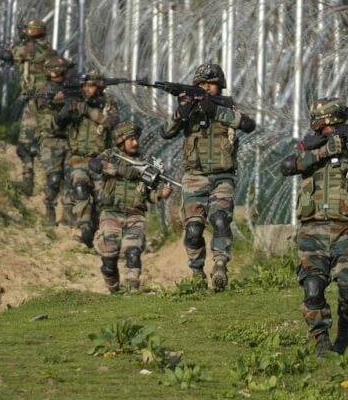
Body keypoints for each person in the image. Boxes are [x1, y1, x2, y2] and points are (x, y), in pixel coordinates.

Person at [280, 97, 348, 357]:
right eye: (325, 128)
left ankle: (347, 328)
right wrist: (325, 151)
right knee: (313, 288)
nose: (330, 132)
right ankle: (321, 340)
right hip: (311, 230)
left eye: (334, 127)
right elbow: (287, 166)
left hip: (347, 230)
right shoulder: (307, 149)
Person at [160, 63, 255, 292]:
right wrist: (182, 110)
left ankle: (220, 264)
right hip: (194, 178)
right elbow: (166, 132)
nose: (206, 87)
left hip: (222, 177)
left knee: (220, 220)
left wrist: (214, 110)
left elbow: (248, 124)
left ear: (219, 85)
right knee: (193, 231)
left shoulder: (227, 108)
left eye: (210, 84)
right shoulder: (189, 110)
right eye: (201, 84)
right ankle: (197, 271)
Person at [90, 121, 172, 293]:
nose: (135, 143)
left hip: (135, 216)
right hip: (111, 214)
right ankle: (114, 289)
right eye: (131, 139)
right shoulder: (111, 155)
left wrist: (160, 194)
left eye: (136, 139)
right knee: (109, 260)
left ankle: (132, 289)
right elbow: (95, 165)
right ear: (121, 141)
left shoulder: (145, 164)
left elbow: (148, 194)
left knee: (133, 253)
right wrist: (123, 170)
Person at [54, 70, 121, 247]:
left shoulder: (108, 103)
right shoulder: (76, 101)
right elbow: (57, 125)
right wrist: (66, 110)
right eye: (84, 86)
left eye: (90, 86)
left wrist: (89, 111)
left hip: (100, 159)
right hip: (78, 158)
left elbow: (112, 123)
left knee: (101, 199)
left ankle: (94, 231)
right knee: (80, 188)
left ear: (98, 86)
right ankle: (84, 229)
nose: (87, 89)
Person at [0, 19, 57, 196]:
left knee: (44, 146)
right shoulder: (34, 47)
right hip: (32, 102)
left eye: (26, 29)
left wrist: (10, 50)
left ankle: (55, 186)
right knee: (24, 146)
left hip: (43, 105)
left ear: (34, 32)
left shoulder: (39, 48)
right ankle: (27, 182)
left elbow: (9, 55)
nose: (23, 31)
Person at [35, 55, 74, 227]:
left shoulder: (70, 89)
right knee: (54, 178)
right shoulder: (44, 92)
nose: (66, 76)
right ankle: (49, 210)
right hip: (51, 142)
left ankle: (68, 213)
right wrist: (62, 108)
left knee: (70, 178)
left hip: (70, 141)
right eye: (63, 72)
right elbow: (46, 120)